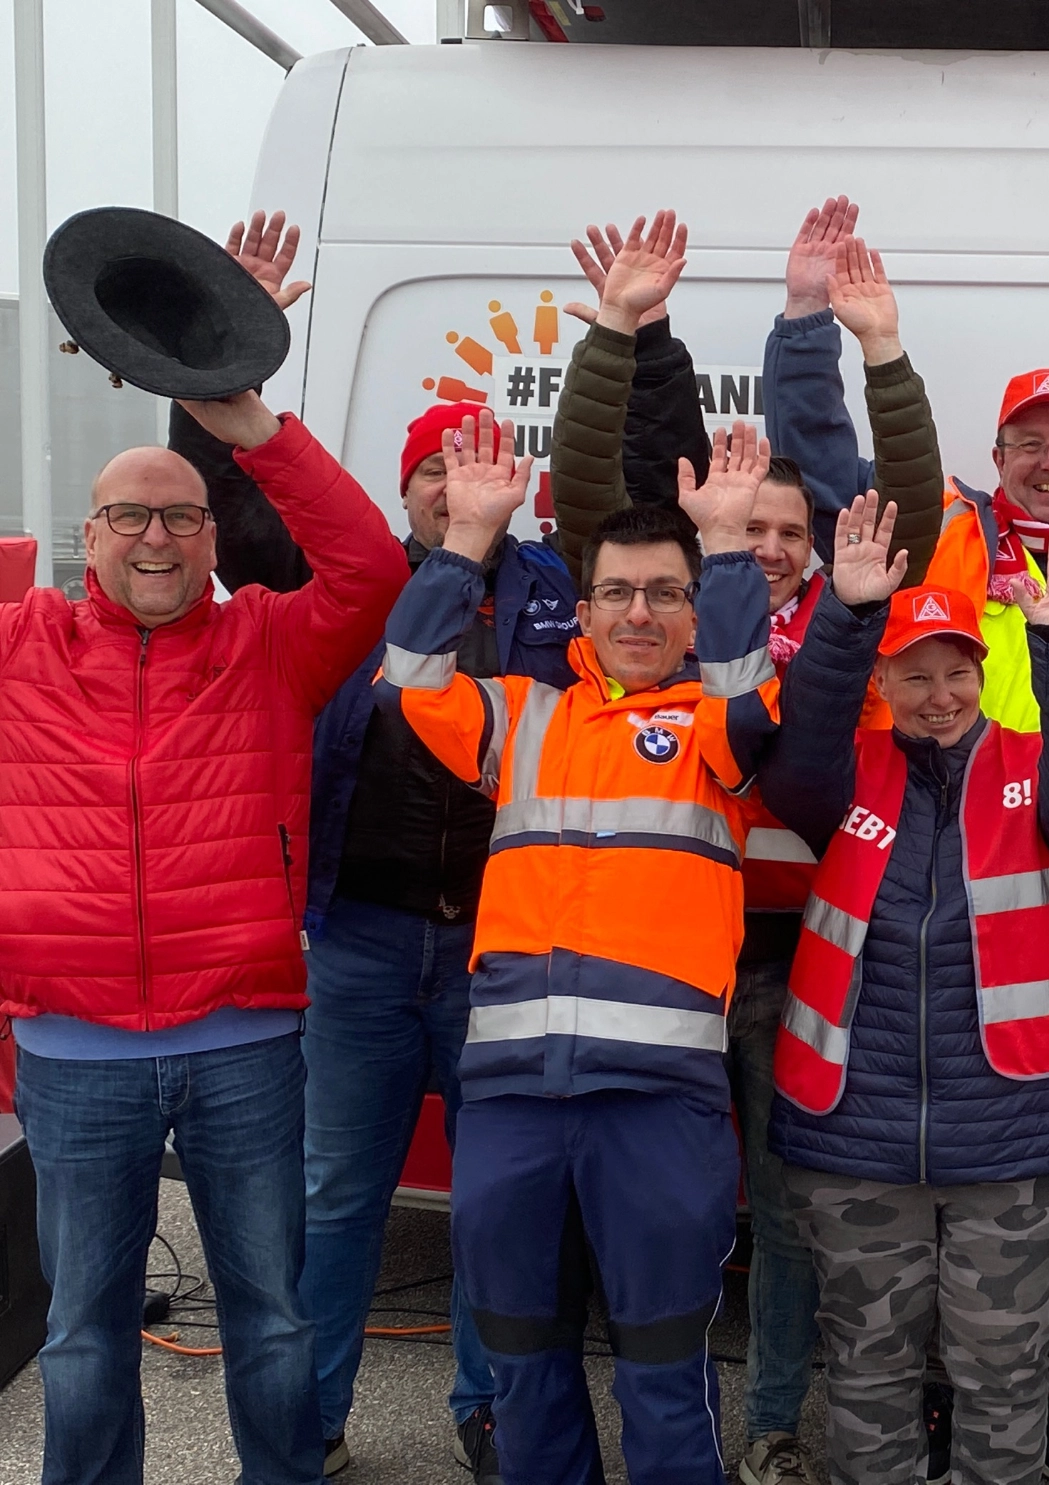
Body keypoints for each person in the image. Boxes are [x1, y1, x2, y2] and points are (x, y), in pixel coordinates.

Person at [765, 196, 1049, 1482]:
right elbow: (834, 459)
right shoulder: (948, 538)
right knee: (884, 1343)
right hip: (911, 885)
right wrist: (826, 334)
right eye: (1031, 440)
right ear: (999, 451)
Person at [173, 211, 578, 1482]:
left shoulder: (559, 592)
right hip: (355, 940)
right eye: (431, 469)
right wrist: (213, 348)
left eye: (476, 467)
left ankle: (489, 1409)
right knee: (338, 1197)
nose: (454, 486)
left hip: (502, 945)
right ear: (406, 485)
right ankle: (314, 1419)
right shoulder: (330, 574)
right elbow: (230, 499)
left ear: (508, 483)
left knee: (494, 1205)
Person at [548, 204, 947, 1485]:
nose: (774, 545)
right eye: (755, 528)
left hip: (801, 961)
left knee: (782, 1213)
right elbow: (577, 501)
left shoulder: (853, 619)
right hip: (662, 961)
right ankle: (625, 1419)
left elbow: (918, 505)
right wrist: (614, 335)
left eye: (793, 529)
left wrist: (875, 350)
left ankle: (769, 1421)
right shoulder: (663, 614)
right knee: (638, 1207)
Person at [2, 383, 407, 1485]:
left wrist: (252, 430)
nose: (154, 536)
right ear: (88, 537)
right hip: (72, 1055)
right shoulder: (17, 649)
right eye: (127, 515)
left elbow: (372, 569)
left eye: (181, 515)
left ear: (212, 536)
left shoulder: (270, 646)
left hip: (245, 1049)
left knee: (272, 1322)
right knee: (83, 1337)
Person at [378, 410, 780, 1485]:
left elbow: (754, 716)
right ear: (582, 607)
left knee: (662, 1372)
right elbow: (408, 679)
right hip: (512, 1101)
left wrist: (734, 546)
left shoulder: (712, 723)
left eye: (664, 592)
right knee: (523, 1370)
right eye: (617, 591)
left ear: (695, 614)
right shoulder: (522, 715)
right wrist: (465, 542)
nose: (638, 612)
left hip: (658, 1106)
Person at [754, 495, 1049, 1485]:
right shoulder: (841, 779)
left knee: (1004, 1378)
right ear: (882, 680)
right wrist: (843, 616)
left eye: (956, 671)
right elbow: (795, 762)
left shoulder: (1036, 770)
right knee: (872, 1378)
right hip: (857, 1133)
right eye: (914, 673)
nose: (938, 693)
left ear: (980, 675)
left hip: (1013, 1134)